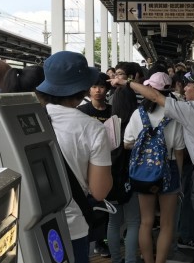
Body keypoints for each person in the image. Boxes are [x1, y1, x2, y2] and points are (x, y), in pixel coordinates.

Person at [111, 65, 194, 263]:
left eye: (188, 85)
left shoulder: (189, 111)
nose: (183, 89)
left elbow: (155, 98)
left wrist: (127, 82)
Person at [36, 51, 113, 262]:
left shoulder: (31, 118)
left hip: (33, 225)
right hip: (72, 225)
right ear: (83, 87)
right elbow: (99, 191)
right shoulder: (93, 128)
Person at [123, 72, 185, 263]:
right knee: (166, 224)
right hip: (170, 169)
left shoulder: (138, 114)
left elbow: (126, 143)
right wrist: (179, 178)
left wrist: (144, 146)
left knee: (146, 222)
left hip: (144, 171)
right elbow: (179, 151)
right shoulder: (174, 115)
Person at [76, 72, 112, 257]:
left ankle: (102, 240)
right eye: (94, 86)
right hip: (86, 166)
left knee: (104, 207)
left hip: (108, 163)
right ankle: (91, 239)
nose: (98, 90)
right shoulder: (81, 112)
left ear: (107, 88)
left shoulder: (112, 111)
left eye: (101, 86)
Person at [106, 86, 141, 263]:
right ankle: (131, 260)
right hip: (132, 179)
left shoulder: (109, 125)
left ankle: (116, 259)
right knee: (134, 222)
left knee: (113, 222)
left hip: (111, 180)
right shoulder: (135, 124)